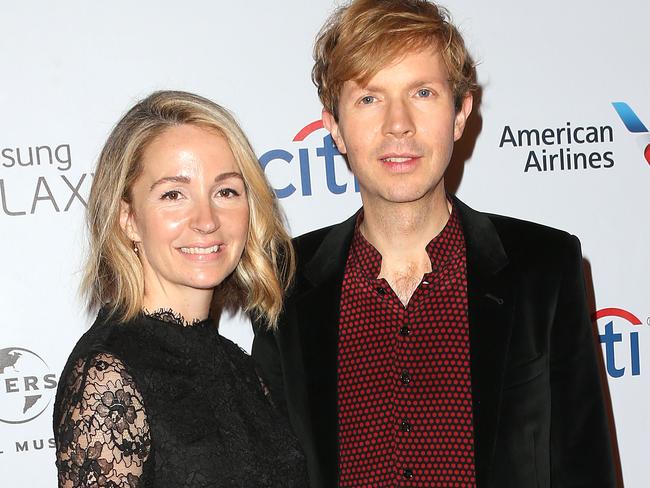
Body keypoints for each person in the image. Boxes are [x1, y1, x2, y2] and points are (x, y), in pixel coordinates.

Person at [252, 1, 616, 487]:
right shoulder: (285, 282)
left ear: (461, 113)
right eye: (368, 98)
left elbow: (582, 467)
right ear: (334, 127)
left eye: (422, 92)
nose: (397, 123)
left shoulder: (543, 267)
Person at [53, 91, 308, 487]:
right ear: (129, 219)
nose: (206, 220)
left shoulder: (239, 366)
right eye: (174, 194)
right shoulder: (108, 376)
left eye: (226, 191)